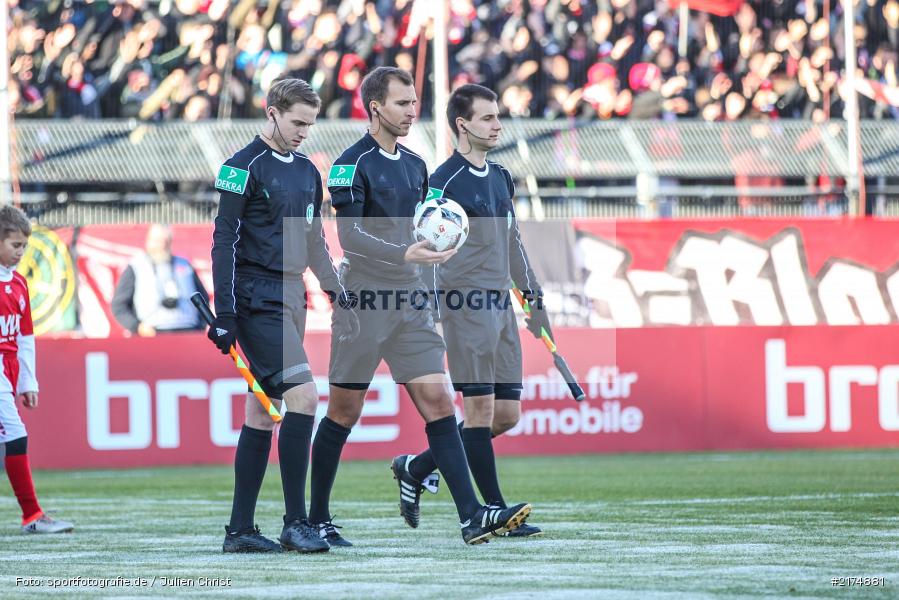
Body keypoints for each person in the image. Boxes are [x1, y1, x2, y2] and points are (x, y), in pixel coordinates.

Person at [308, 67, 531, 546]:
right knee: (343, 412)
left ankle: (472, 516)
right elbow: (348, 236)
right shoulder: (351, 164)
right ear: (375, 108)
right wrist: (401, 254)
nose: (412, 111)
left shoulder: (416, 165)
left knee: (439, 404)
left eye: (413, 102)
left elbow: (424, 232)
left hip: (409, 301)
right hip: (365, 301)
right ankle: (316, 518)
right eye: (402, 103)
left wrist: (427, 285)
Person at [207, 77, 358, 554]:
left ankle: (240, 531)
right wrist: (226, 312)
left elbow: (313, 241)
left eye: (310, 125)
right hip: (257, 300)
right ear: (272, 111)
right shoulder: (240, 167)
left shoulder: (309, 172)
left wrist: (335, 291)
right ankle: (297, 523)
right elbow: (223, 241)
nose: (303, 132)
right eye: (297, 122)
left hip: (292, 296)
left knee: (261, 411)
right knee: (305, 397)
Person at [390, 84, 548, 538]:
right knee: (477, 412)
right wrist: (430, 309)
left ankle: (416, 467)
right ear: (463, 125)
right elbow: (426, 248)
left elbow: (513, 241)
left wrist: (533, 297)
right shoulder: (442, 182)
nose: (498, 125)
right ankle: (496, 512)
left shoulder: (500, 177)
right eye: (487, 118)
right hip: (465, 307)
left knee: (506, 416)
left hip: (501, 308)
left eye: (498, 117)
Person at [0, 205, 74, 534]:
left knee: (14, 435)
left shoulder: (18, 284)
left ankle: (32, 514)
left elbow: (25, 336)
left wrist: (29, 380)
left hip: (9, 370)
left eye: (24, 246)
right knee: (16, 434)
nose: (21, 252)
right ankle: (32, 515)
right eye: (15, 245)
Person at [111, 224, 207, 337]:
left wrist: (200, 325)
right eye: (157, 241)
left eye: (165, 241)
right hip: (153, 333)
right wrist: (137, 327)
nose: (162, 245)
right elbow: (119, 306)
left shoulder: (184, 265)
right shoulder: (136, 267)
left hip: (188, 331)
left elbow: (203, 299)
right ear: (148, 241)